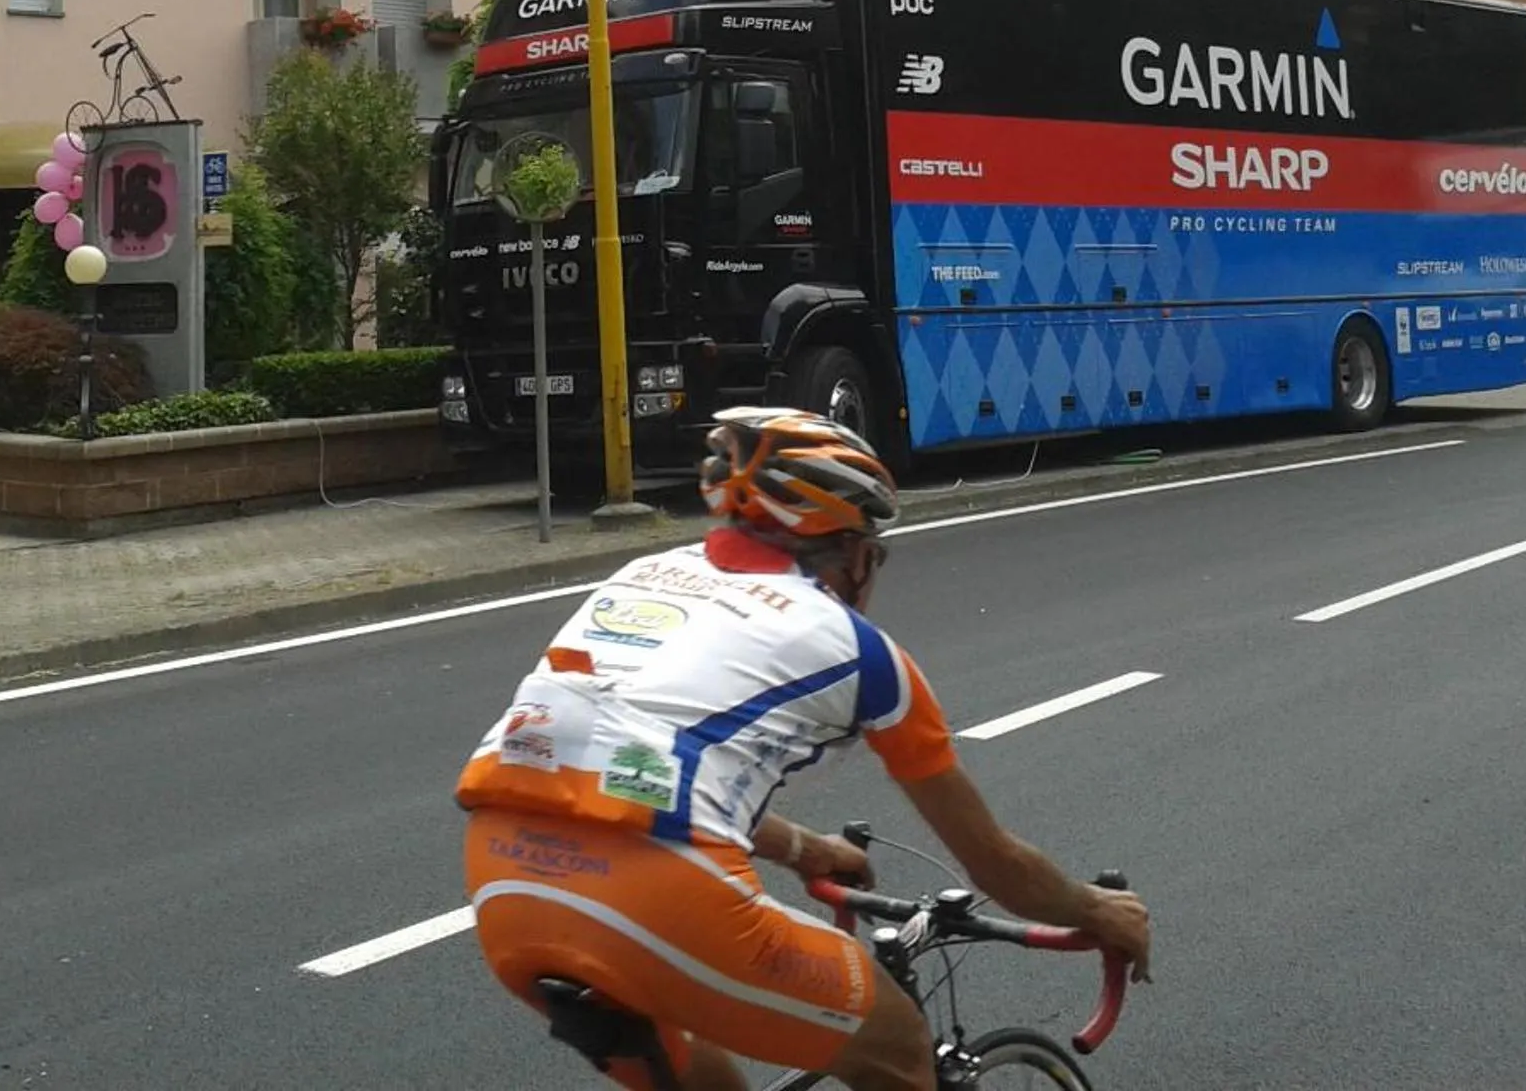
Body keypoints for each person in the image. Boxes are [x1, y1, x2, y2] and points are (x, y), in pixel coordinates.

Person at [455, 406, 1153, 1090]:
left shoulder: (640, 576)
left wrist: (802, 849)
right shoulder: (862, 653)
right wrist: (1096, 911)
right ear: (851, 553)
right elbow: (993, 862)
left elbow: (637, 765)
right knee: (895, 1045)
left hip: (504, 885)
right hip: (661, 895)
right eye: (872, 553)